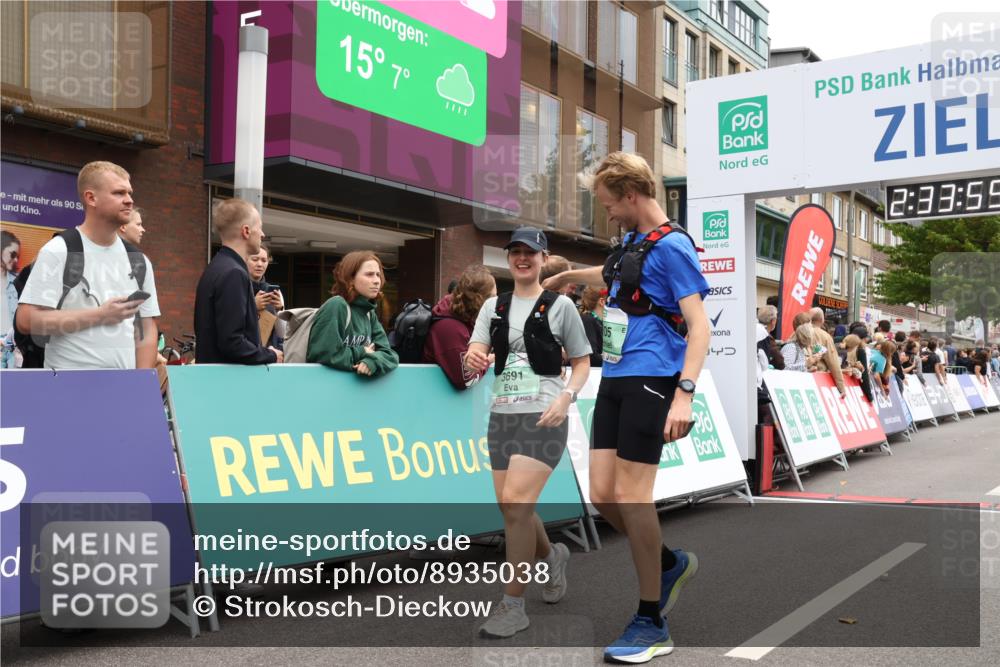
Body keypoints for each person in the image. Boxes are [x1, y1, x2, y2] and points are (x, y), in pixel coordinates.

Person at [540, 152, 709, 663]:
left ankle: (650, 620)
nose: (606, 212)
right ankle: (668, 562)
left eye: (608, 202)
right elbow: (612, 271)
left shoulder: (675, 247)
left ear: (631, 196)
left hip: (653, 379)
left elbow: (699, 327)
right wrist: (563, 276)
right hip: (614, 378)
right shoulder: (635, 241)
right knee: (602, 494)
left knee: (633, 497)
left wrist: (684, 392)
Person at [463, 227, 591, 639]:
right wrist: (474, 358)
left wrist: (566, 397)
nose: (522, 259)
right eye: (515, 252)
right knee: (510, 507)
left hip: (545, 416)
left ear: (542, 258)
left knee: (517, 503)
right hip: (502, 415)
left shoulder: (561, 308)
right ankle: (552, 555)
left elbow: (583, 362)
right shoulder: (493, 306)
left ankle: (512, 605)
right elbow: (475, 350)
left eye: (529, 253)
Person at [16, 162, 159, 370]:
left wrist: (142, 384)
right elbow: (26, 320)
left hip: (122, 390)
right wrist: (100, 315)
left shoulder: (139, 261)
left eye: (129, 192)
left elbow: (147, 329)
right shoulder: (59, 250)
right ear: (91, 198)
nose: (129, 200)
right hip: (67, 390)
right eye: (119, 193)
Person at [194, 198, 282, 365]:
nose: (262, 235)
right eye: (260, 228)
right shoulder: (234, 273)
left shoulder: (216, 267)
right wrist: (270, 355)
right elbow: (232, 343)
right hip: (229, 382)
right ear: (246, 231)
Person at [306, 250, 398, 376]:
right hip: (326, 389)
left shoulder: (369, 313)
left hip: (357, 392)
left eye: (378, 274)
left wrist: (372, 361)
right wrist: (362, 352)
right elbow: (324, 354)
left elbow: (389, 355)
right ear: (350, 279)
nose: (377, 280)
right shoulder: (337, 305)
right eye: (369, 274)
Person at [422, 264, 496, 389]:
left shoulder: (464, 320)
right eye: (493, 298)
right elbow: (466, 381)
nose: (496, 303)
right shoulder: (450, 329)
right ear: (479, 300)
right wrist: (488, 360)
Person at [247, 244, 284, 350]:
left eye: (264, 260)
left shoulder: (275, 292)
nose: (259, 264)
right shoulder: (237, 288)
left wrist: (280, 311)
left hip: (270, 351)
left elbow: (282, 333)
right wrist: (253, 307)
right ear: (245, 260)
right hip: (245, 352)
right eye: (255, 259)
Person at [809, 307, 846, 396]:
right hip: (818, 379)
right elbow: (833, 363)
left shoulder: (799, 332)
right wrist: (841, 387)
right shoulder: (825, 337)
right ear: (822, 320)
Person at [1, 230, 21, 368]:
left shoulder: (18, 282)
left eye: (17, 256)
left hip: (13, 353)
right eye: (12, 254)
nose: (16, 260)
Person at [577, 286, 605, 368]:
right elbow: (591, 356)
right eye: (610, 300)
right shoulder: (587, 320)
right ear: (602, 301)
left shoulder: (595, 320)